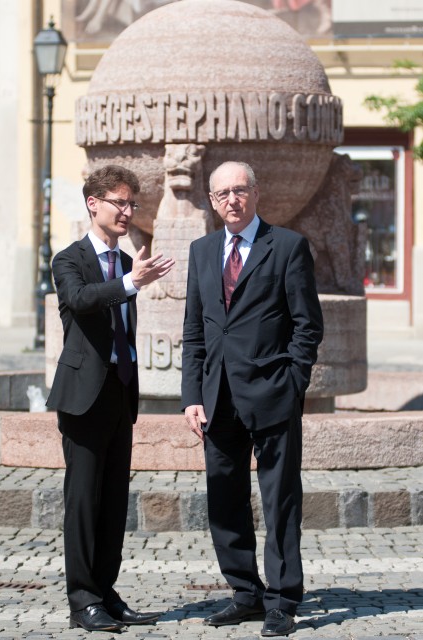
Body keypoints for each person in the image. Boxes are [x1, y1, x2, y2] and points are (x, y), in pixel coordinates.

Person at [181, 161, 323, 637]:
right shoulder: (202, 251)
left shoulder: (286, 246)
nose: (232, 200)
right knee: (224, 500)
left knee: (280, 500)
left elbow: (307, 325)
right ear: (212, 200)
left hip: (272, 392)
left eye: (240, 190)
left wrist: (293, 381)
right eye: (222, 194)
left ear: (256, 193)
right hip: (217, 398)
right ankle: (245, 593)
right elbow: (195, 331)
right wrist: (191, 395)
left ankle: (282, 599)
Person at [47, 164, 174, 632]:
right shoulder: (69, 259)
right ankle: (82, 600)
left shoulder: (125, 262)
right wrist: (130, 284)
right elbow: (81, 300)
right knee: (84, 501)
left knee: (115, 500)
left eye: (131, 204)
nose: (127, 211)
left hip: (120, 392)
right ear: (93, 203)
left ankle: (105, 591)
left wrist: (130, 279)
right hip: (83, 397)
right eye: (119, 202)